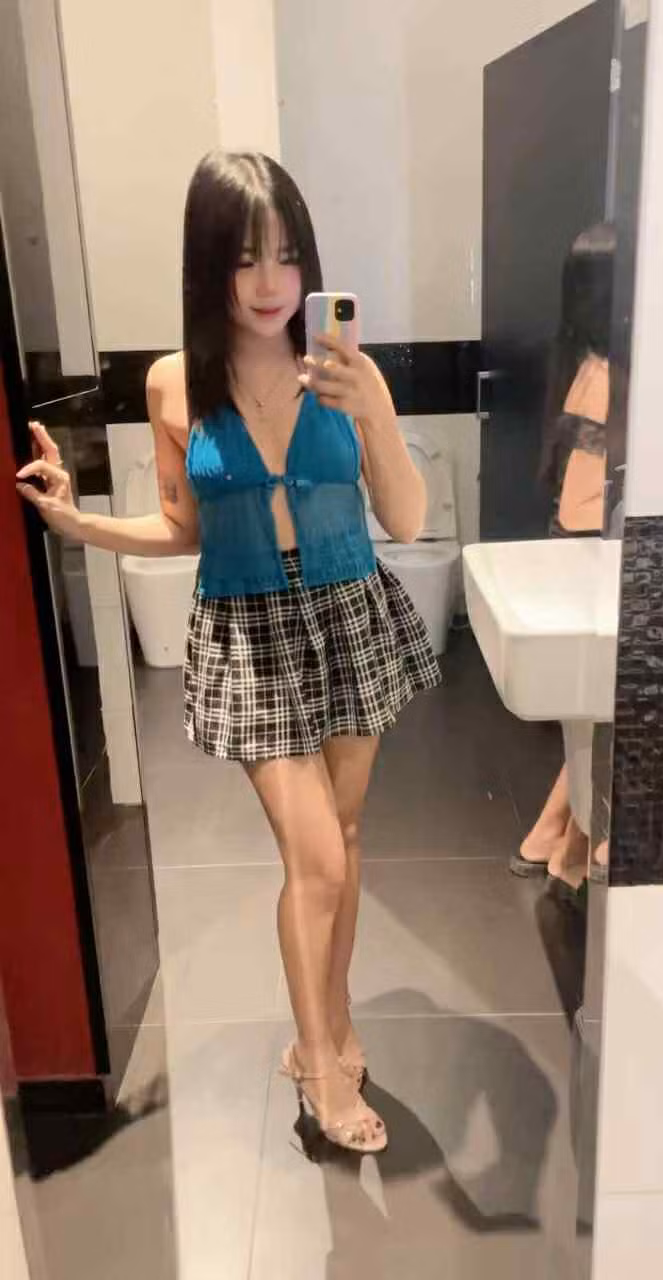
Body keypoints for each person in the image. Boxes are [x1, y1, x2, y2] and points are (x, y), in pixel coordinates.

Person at [16, 151, 441, 1156]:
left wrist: (374, 412)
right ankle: (321, 1065)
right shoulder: (176, 383)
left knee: (343, 838)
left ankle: (331, 1025)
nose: (270, 282)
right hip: (249, 628)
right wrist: (78, 525)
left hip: (347, 611)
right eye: (246, 257)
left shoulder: (347, 373)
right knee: (315, 854)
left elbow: (408, 518)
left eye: (287, 256)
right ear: (208, 262)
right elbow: (182, 527)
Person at [509, 223, 616, 899]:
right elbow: (585, 492)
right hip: (592, 550)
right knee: (602, 710)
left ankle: (557, 835)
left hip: (575, 544)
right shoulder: (608, 374)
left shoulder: (580, 361)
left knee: (595, 711)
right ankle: (573, 841)